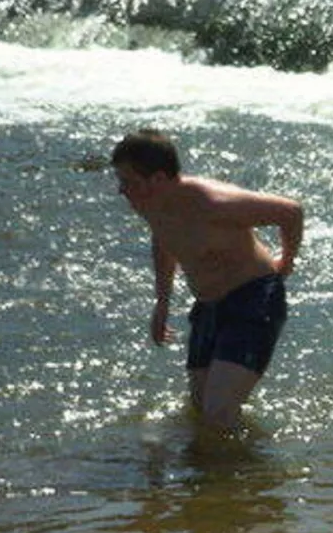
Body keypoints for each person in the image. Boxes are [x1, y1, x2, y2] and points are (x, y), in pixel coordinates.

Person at [111, 128, 303, 430]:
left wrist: (286, 264)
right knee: (200, 410)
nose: (121, 191)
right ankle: (229, 469)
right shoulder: (149, 204)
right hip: (209, 305)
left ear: (158, 180)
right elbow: (163, 240)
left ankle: (246, 475)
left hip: (253, 300)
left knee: (218, 413)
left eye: (129, 182)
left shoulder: (213, 203)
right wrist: (162, 302)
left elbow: (291, 212)